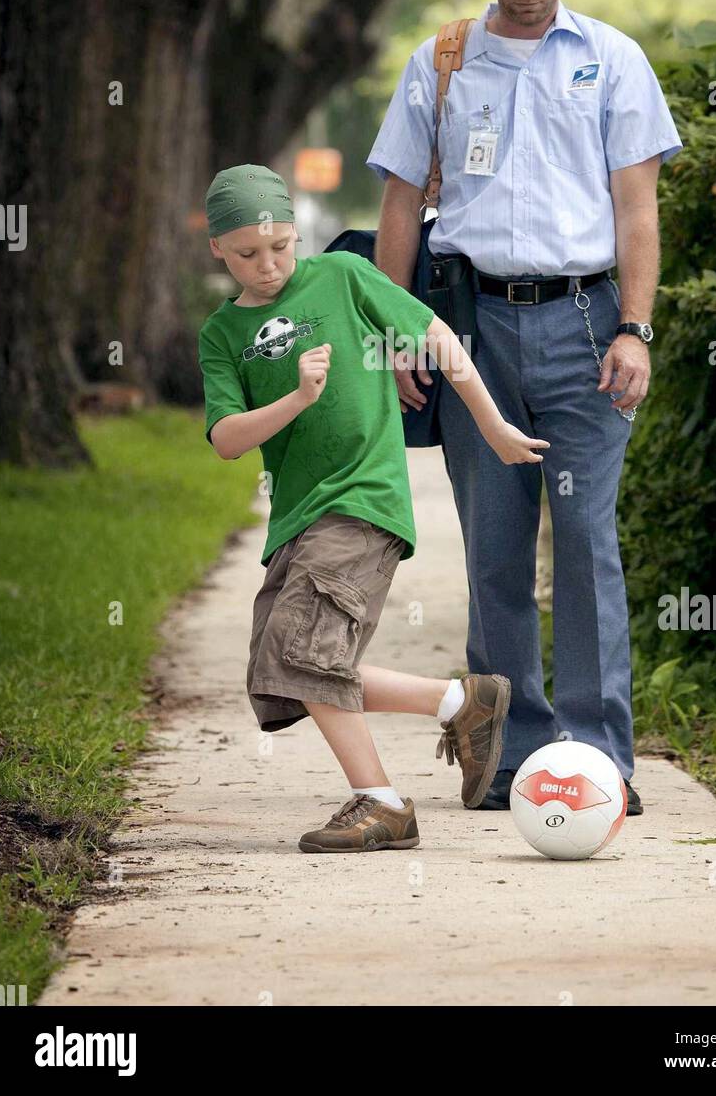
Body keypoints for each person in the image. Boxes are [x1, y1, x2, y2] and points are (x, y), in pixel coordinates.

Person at [368, 0, 683, 815]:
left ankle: (596, 760)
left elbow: (637, 209)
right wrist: (398, 333)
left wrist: (636, 328)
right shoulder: (442, 63)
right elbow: (397, 208)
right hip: (468, 328)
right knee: (495, 550)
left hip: (588, 323)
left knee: (587, 543)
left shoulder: (612, 61)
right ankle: (508, 758)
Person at [197, 163, 549, 853]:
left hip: (363, 499)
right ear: (217, 249)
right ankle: (460, 703)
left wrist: (493, 424)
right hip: (297, 515)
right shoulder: (220, 334)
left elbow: (440, 338)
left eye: (279, 247)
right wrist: (296, 399)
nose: (267, 265)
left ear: (296, 233)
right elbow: (226, 440)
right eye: (246, 254)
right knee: (280, 674)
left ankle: (383, 804)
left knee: (302, 655)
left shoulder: (342, 277)